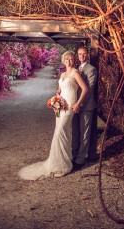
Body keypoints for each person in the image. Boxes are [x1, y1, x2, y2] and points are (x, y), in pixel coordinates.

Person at [18, 50, 90, 180]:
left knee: (61, 131)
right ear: (63, 61)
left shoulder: (75, 73)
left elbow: (85, 88)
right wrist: (58, 95)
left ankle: (62, 165)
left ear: (74, 60)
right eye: (67, 59)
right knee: (61, 132)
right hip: (61, 106)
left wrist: (78, 104)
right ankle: (60, 162)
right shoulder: (63, 74)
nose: (69, 61)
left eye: (71, 59)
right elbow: (62, 88)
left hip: (69, 106)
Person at [71, 46, 97, 168]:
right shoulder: (76, 69)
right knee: (75, 132)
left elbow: (89, 89)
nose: (82, 56)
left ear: (88, 55)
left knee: (84, 134)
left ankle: (80, 160)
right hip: (75, 106)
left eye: (84, 54)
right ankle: (74, 156)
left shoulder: (91, 69)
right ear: (77, 55)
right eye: (80, 54)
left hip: (86, 106)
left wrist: (79, 104)